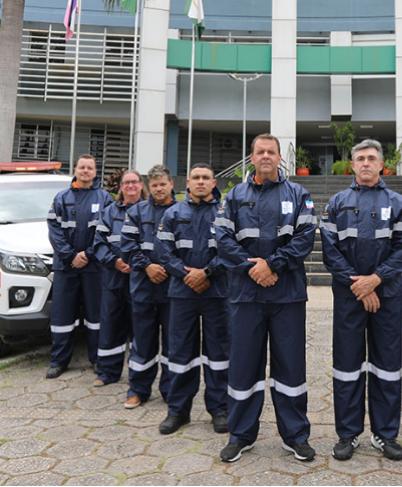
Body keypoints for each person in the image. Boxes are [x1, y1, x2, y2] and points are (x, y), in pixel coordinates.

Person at [214, 134, 317, 463]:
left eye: (272, 151)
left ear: (278, 157)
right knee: (244, 368)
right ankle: (241, 434)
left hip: (286, 295)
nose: (266, 156)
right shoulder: (234, 196)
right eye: (260, 151)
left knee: (290, 368)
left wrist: (271, 265)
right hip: (246, 296)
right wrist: (252, 269)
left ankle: (295, 435)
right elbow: (223, 239)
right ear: (252, 157)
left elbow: (305, 239)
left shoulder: (298, 194)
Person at [320, 138, 402, 462]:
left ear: (381, 165)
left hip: (387, 297)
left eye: (371, 158)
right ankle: (347, 434)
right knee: (347, 367)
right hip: (349, 298)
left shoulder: (399, 203)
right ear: (352, 165)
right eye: (360, 158)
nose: (365, 163)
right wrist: (360, 285)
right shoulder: (336, 202)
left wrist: (377, 279)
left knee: (386, 367)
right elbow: (329, 252)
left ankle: (385, 434)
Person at [155, 163, 231, 435]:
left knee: (219, 354)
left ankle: (220, 410)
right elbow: (162, 251)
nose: (201, 182)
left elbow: (232, 249)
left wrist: (207, 272)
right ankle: (178, 411)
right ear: (187, 182)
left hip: (217, 292)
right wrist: (186, 275)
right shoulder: (173, 212)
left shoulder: (225, 213)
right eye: (196, 178)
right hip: (182, 293)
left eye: (206, 178)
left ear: (214, 182)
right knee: (179, 354)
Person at [45, 154, 114, 379]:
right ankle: (59, 361)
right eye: (82, 167)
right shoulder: (61, 198)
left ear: (95, 172)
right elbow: (54, 231)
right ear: (75, 169)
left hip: (94, 267)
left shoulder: (105, 199)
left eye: (90, 168)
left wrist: (88, 254)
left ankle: (97, 359)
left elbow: (107, 231)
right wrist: (71, 256)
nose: (85, 171)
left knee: (96, 316)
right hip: (66, 266)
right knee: (62, 315)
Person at [119, 164, 176, 409]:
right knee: (142, 342)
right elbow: (128, 245)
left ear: (171, 184)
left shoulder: (181, 211)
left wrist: (167, 269)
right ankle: (138, 389)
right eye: (154, 185)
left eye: (163, 184)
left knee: (174, 344)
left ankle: (171, 390)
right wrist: (148, 267)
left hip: (174, 288)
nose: (159, 188)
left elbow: (186, 249)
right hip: (143, 287)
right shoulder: (137, 212)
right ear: (148, 187)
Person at [92, 169, 146, 387]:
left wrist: (138, 263)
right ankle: (107, 373)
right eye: (126, 183)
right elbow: (98, 241)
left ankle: (139, 375)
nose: (130, 186)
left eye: (134, 182)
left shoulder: (148, 211)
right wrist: (113, 261)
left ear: (142, 185)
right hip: (114, 277)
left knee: (140, 328)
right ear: (120, 187)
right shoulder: (109, 212)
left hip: (140, 279)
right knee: (111, 326)